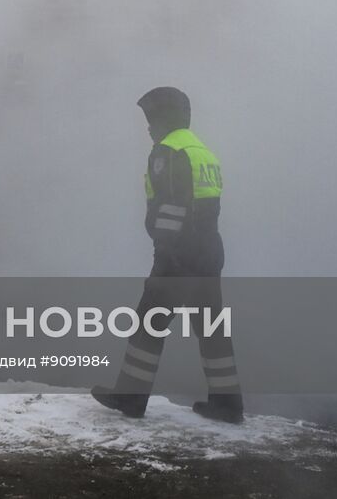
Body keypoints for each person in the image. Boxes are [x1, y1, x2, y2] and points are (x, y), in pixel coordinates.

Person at [91, 86, 244, 424]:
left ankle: (130, 397)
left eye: (152, 119)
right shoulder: (202, 151)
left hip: (178, 253)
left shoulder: (168, 151)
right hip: (209, 250)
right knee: (211, 326)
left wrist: (166, 252)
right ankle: (228, 404)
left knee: (149, 322)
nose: (149, 128)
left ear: (166, 118)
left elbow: (172, 207)